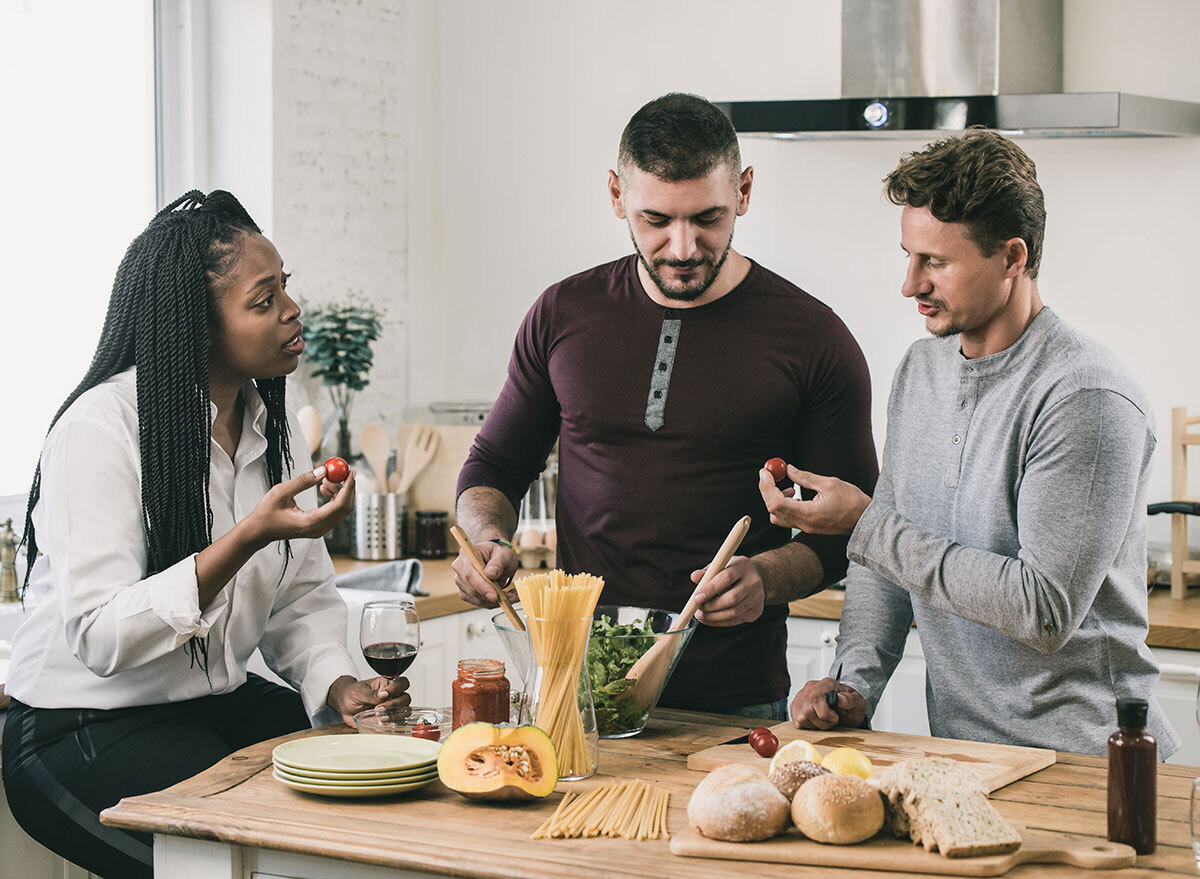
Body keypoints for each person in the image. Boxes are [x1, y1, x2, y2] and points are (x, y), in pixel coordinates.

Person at [2, 191, 410, 879]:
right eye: (264, 298)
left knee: (373, 800)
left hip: (210, 707)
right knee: (259, 864)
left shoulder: (268, 428)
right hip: (82, 725)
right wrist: (246, 536)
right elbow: (101, 634)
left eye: (286, 288)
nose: (291, 310)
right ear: (196, 324)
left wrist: (337, 682)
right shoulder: (100, 430)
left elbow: (301, 602)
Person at [451, 93, 878, 719]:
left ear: (746, 192)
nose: (683, 247)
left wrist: (766, 577)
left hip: (735, 700)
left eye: (707, 218)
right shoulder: (562, 313)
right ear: (617, 195)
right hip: (575, 688)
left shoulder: (814, 339)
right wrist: (484, 538)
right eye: (657, 220)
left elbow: (854, 530)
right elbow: (493, 466)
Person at [765, 130, 1179, 757]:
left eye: (935, 262)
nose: (909, 284)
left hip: (1089, 763)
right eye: (908, 255)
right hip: (968, 759)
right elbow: (888, 560)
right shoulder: (920, 370)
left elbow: (1043, 609)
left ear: (1013, 258)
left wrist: (867, 524)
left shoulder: (1083, 396)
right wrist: (853, 684)